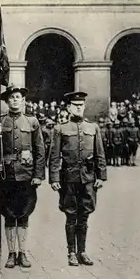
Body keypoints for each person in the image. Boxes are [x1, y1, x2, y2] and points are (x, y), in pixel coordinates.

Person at [0, 84, 45, 269]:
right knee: (9, 214)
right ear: (6, 101)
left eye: (18, 96)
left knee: (24, 213)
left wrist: (38, 175)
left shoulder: (32, 122)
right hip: (5, 175)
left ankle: (23, 253)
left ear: (23, 100)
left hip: (26, 175)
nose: (15, 100)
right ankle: (11, 253)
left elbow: (40, 150)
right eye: (12, 97)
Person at [48, 91, 106, 266]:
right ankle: (71, 252)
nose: (79, 108)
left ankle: (82, 251)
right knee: (71, 215)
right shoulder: (60, 128)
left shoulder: (93, 127)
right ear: (69, 107)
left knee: (85, 215)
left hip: (88, 178)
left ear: (84, 107)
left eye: (81, 105)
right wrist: (54, 178)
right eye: (75, 105)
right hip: (69, 178)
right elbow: (54, 156)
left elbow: (99, 153)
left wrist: (101, 176)